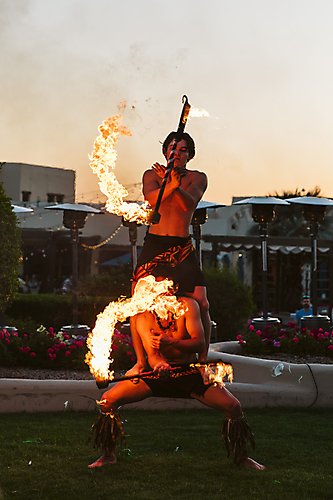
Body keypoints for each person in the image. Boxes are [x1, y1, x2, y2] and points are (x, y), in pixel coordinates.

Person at [88, 293, 265, 470]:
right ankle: (108, 455)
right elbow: (153, 356)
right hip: (157, 374)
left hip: (189, 372)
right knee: (108, 400)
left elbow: (200, 344)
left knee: (233, 406)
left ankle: (242, 457)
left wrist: (171, 341)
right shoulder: (143, 315)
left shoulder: (188, 306)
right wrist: (160, 365)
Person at [129, 131, 210, 374]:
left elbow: (189, 205)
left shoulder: (198, 177)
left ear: (189, 155)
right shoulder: (152, 174)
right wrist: (168, 185)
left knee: (202, 303)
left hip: (181, 246)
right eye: (172, 149)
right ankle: (142, 361)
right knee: (137, 303)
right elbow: (153, 200)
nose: (177, 153)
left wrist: (175, 186)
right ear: (165, 152)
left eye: (183, 149)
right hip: (155, 244)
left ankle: (203, 360)